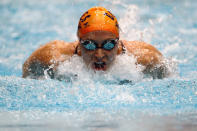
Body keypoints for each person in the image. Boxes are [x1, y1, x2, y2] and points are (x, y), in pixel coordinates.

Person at [22, 7, 168, 79]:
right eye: (89, 45)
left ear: (118, 42)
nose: (99, 55)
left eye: (109, 44)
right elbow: (27, 71)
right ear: (79, 42)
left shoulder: (146, 59)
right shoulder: (52, 56)